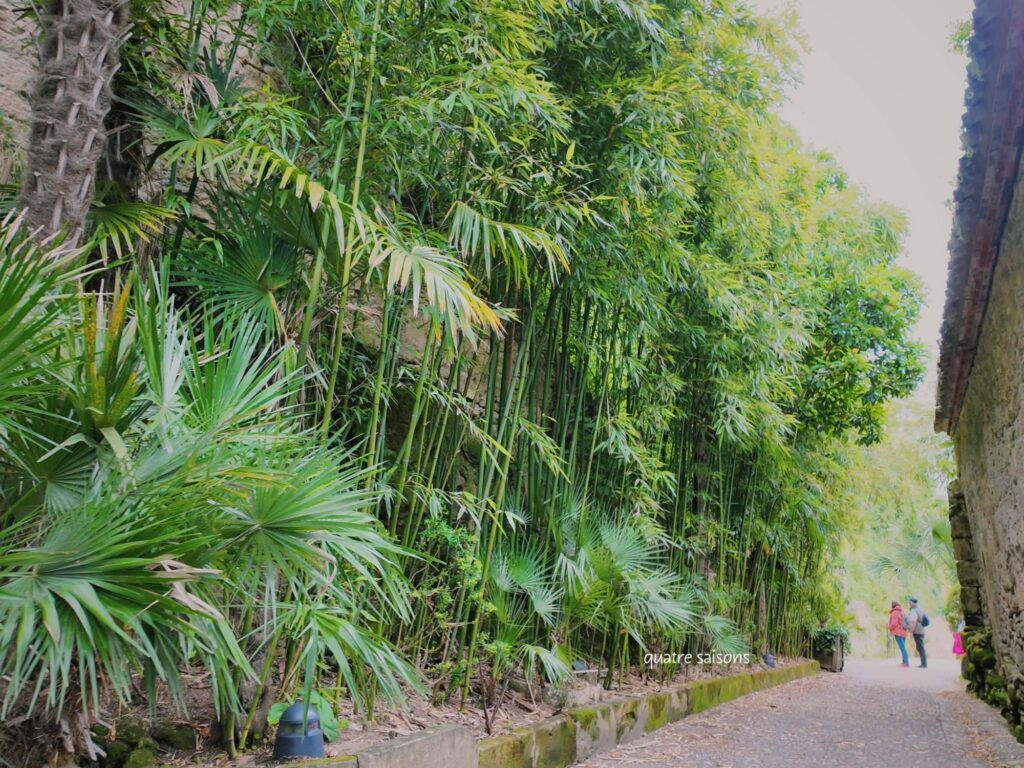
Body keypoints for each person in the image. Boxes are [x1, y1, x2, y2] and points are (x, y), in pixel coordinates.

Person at [907, 597, 927, 668]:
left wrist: (911, 632)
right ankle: (923, 663)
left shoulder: (913, 611)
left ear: (912, 603)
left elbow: (914, 622)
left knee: (920, 647)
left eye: (909, 602)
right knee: (920, 647)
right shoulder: (919, 609)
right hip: (921, 630)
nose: (908, 603)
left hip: (917, 631)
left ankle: (924, 664)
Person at [887, 600, 909, 667]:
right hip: (904, 632)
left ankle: (905, 663)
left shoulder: (895, 613)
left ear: (892, 606)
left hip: (898, 632)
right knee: (903, 647)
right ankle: (904, 662)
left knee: (902, 648)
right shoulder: (901, 612)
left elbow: (894, 624)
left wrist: (888, 627)